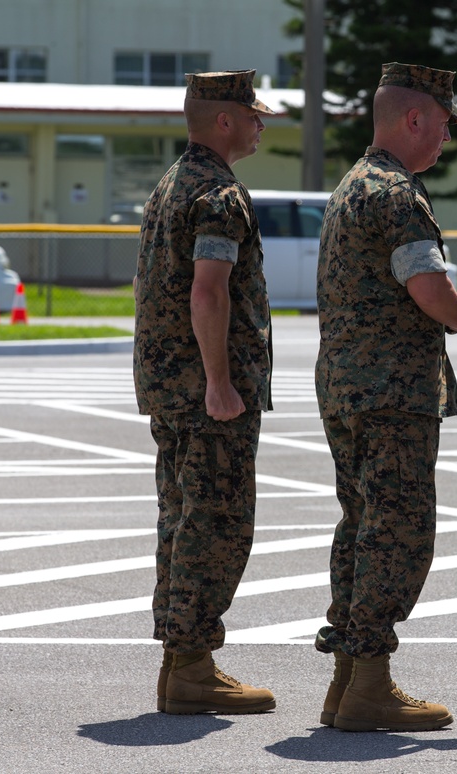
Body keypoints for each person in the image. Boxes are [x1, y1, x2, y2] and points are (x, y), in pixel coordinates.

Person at [313, 62, 457, 733]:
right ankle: (368, 681)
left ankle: (347, 680)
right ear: (415, 118)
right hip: (391, 389)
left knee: (361, 525)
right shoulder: (397, 194)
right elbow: (427, 288)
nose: (448, 135)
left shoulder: (352, 185)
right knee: (397, 531)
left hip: (348, 385)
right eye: (445, 121)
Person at [133, 69, 277, 715]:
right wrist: (220, 381)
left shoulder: (172, 183)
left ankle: (180, 662)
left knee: (181, 517)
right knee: (216, 523)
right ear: (224, 120)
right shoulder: (217, 193)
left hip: (169, 386)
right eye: (252, 113)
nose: (259, 123)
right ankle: (191, 664)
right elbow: (209, 290)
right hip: (203, 390)